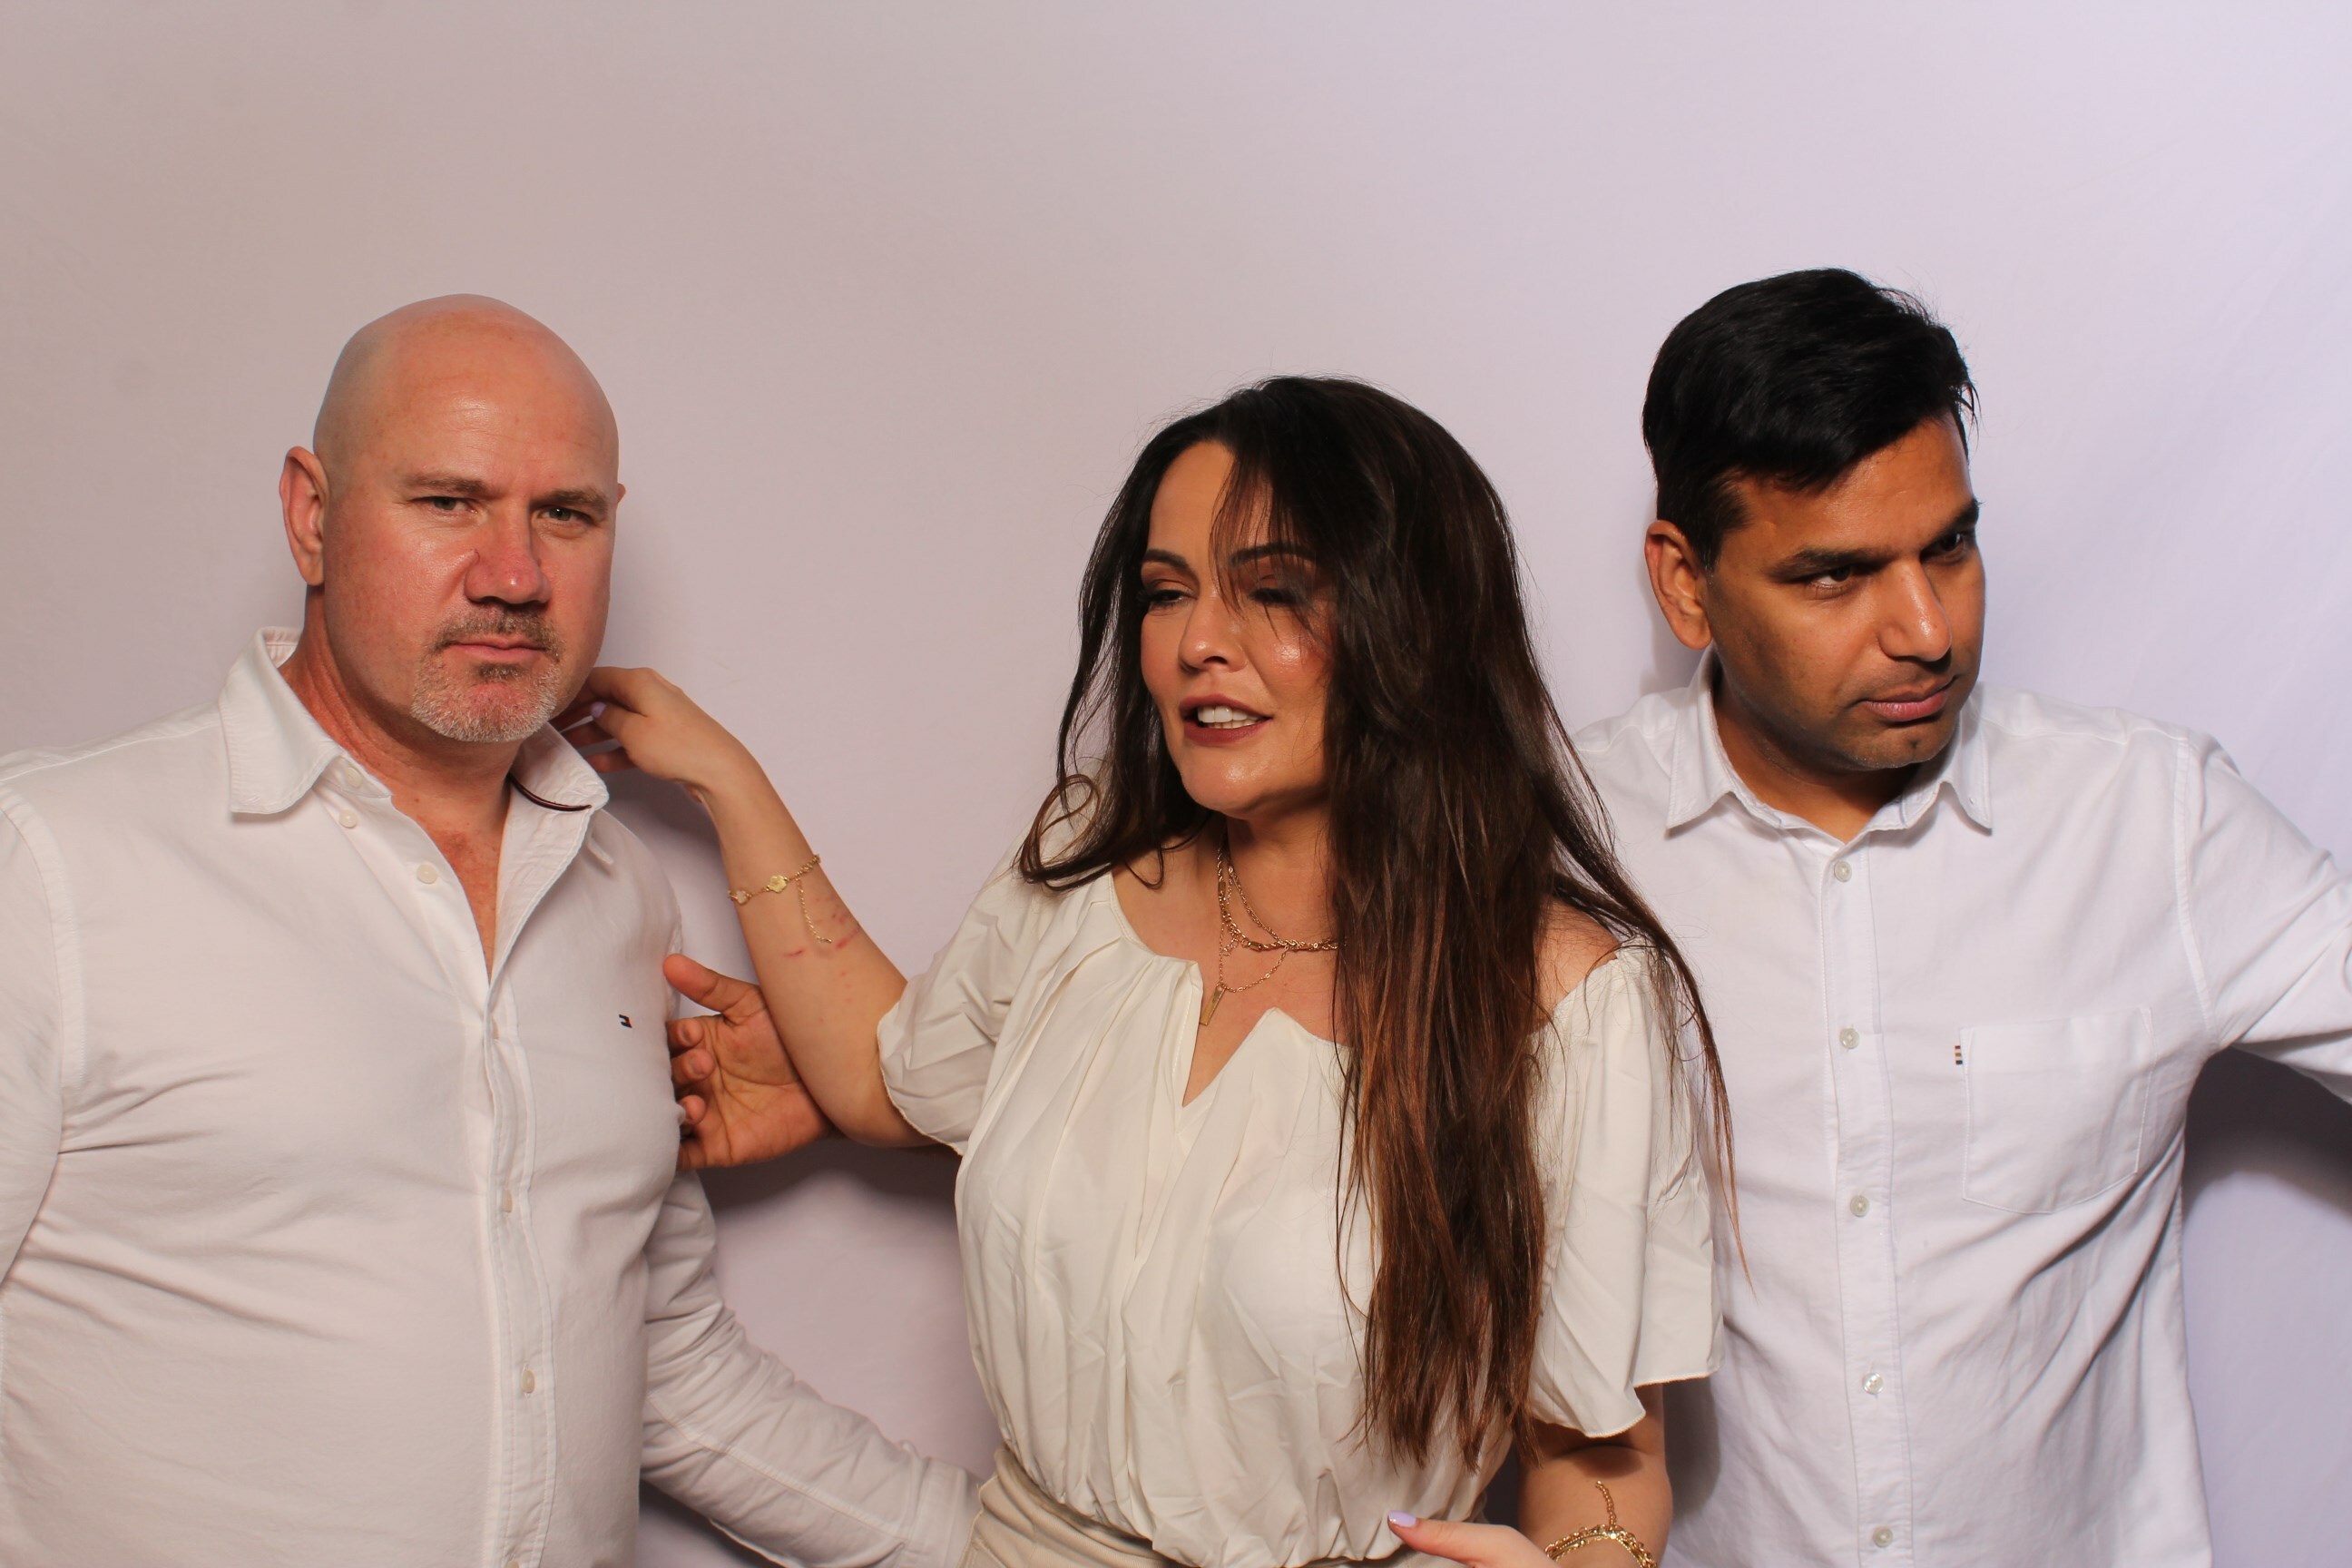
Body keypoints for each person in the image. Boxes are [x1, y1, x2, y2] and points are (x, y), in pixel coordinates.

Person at [570, 377, 1726, 1568]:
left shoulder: (1569, 1005)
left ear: (1416, 623)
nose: (1196, 644)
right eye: (1168, 593)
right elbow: (887, 1081)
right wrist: (726, 781)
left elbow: (1600, 1457)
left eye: (1274, 591)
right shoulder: (1085, 865)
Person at [0, 297, 975, 1566]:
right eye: (449, 502)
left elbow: (658, 1370)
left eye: (565, 515)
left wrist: (1016, 1555)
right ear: (310, 513)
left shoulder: (619, 894)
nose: (514, 576)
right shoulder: (51, 863)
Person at [1572, 268, 2352, 1566]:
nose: (1928, 628)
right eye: (1835, 577)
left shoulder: (2147, 820)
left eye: (1948, 547)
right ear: (1686, 583)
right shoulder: (1564, 843)